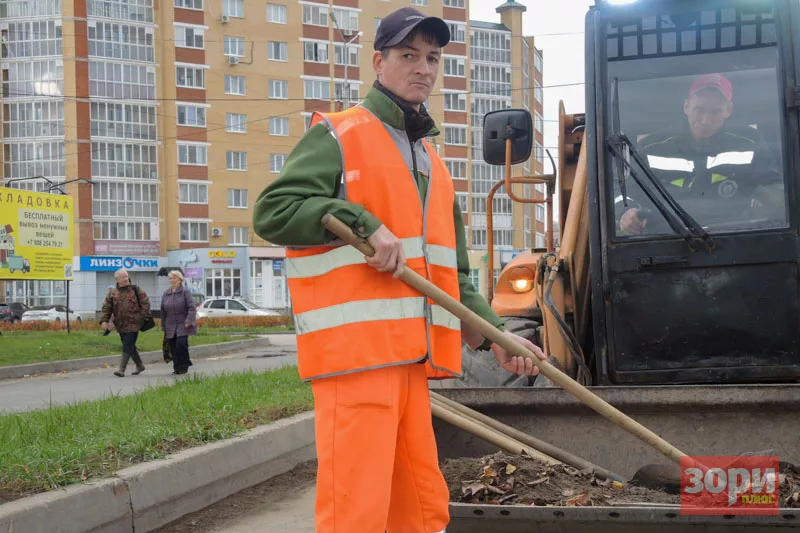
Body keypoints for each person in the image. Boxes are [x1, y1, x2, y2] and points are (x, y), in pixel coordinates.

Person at [252, 7, 547, 533]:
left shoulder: (430, 160)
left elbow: (451, 272)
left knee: (419, 504)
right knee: (356, 510)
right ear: (378, 62)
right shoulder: (340, 135)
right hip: (355, 361)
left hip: (411, 362)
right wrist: (357, 220)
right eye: (408, 55)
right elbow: (273, 211)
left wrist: (494, 334)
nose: (424, 68)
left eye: (433, 58)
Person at [618, 73, 782, 236]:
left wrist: (770, 206)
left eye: (715, 112)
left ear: (729, 110)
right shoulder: (651, 147)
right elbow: (622, 191)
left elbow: (775, 186)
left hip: (737, 239)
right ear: (686, 107)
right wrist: (625, 213)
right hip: (667, 242)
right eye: (699, 109)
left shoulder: (750, 142)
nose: (706, 120)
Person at [100, 269, 150, 377]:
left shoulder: (136, 290)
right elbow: (107, 308)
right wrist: (104, 321)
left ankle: (121, 370)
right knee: (129, 346)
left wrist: (141, 318)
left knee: (127, 345)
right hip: (120, 324)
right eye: (122, 277)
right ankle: (140, 365)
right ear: (117, 279)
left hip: (134, 324)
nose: (125, 278)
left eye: (126, 276)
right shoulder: (113, 293)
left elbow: (145, 304)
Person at [160, 270, 196, 375]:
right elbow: (163, 311)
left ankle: (184, 365)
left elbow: (191, 308)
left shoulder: (185, 292)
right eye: (170, 278)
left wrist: (189, 320)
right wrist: (163, 325)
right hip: (170, 324)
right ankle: (177, 368)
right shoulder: (166, 293)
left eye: (174, 278)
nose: (172, 280)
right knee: (173, 347)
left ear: (180, 280)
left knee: (181, 344)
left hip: (183, 323)